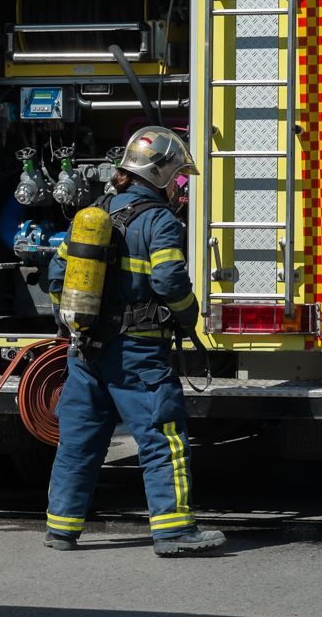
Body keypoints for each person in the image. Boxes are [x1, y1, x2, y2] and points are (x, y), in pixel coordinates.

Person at [44, 126, 226, 556]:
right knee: (163, 438)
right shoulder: (159, 220)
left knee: (80, 441)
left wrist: (72, 324)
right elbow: (168, 278)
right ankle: (174, 531)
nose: (180, 186)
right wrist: (187, 315)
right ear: (161, 173)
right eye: (179, 176)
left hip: (86, 351)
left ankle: (62, 529)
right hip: (138, 355)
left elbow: (56, 277)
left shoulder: (92, 213)